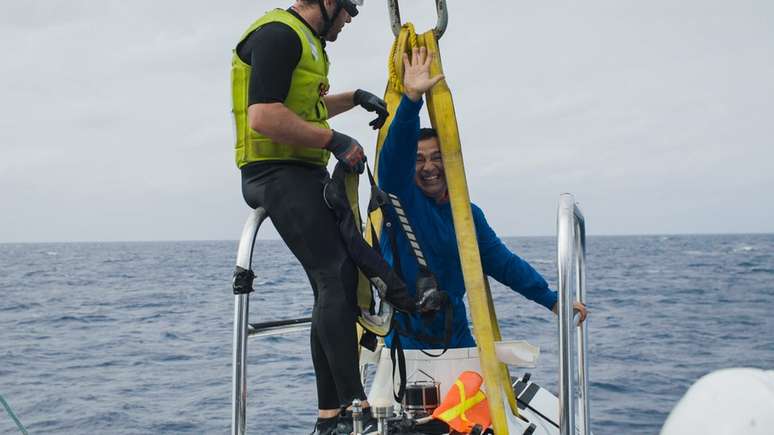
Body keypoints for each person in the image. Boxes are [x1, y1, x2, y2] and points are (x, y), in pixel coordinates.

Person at [230, 1, 399, 433]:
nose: (350, 18)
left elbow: (304, 111)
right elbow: (264, 116)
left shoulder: (307, 43)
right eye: (349, 9)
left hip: (302, 172)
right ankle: (352, 406)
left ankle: (331, 414)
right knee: (334, 274)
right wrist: (333, 140)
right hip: (274, 173)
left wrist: (356, 98)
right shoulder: (278, 35)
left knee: (339, 282)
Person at [378, 47, 588, 351]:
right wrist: (411, 102)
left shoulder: (467, 215)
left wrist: (553, 301)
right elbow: (393, 162)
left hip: (457, 334)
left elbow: (501, 262)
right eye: (419, 159)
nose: (429, 167)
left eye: (437, 157)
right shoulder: (401, 203)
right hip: (407, 344)